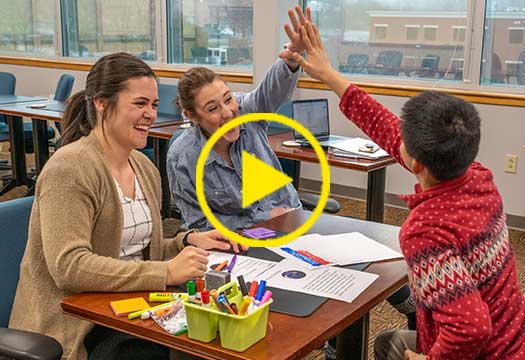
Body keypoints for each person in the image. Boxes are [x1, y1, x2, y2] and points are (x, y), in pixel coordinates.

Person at [287, 19, 525, 360]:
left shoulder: (425, 230)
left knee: (397, 346)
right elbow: (385, 127)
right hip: (513, 338)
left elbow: (470, 327)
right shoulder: (477, 176)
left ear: (413, 163)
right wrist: (329, 75)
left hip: (484, 351)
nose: (397, 138)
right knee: (388, 344)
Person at [9, 52, 244, 360]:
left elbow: (131, 248)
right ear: (102, 103)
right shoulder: (70, 169)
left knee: (218, 335)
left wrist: (183, 241)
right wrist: (165, 272)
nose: (150, 114)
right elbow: (70, 267)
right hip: (79, 325)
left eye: (154, 105)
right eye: (140, 103)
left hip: (130, 307)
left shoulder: (143, 167)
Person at [165, 8, 316, 231]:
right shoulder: (183, 156)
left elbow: (268, 93)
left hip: (293, 222)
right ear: (192, 116)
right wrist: (264, 218)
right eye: (213, 108)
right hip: (241, 239)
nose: (228, 112)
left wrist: (291, 61)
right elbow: (198, 224)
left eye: (228, 99)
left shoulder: (245, 111)